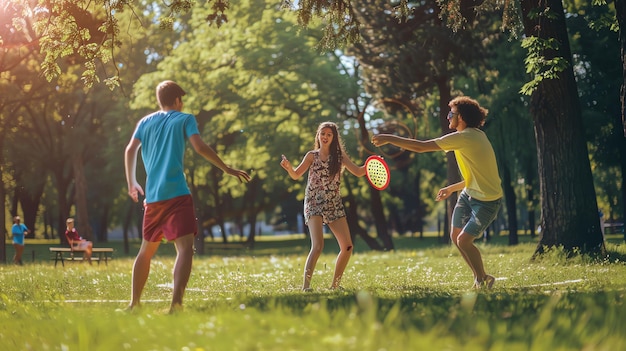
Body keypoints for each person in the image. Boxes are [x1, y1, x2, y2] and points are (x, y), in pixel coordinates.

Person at [124, 80, 250, 313]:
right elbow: (200, 147)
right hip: (177, 195)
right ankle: (176, 305)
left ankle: (134, 304)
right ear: (178, 100)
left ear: (159, 100)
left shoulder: (145, 122)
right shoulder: (185, 118)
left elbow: (130, 150)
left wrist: (132, 183)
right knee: (184, 249)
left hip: (153, 198)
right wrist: (226, 168)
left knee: (145, 251)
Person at [372, 96, 503, 289]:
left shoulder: (465, 137)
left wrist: (388, 137)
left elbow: (421, 147)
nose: (448, 116)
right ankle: (479, 278)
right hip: (469, 194)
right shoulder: (471, 136)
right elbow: (475, 177)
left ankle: (483, 278)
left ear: (462, 117)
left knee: (464, 241)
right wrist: (451, 188)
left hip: (487, 201)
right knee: (455, 236)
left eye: (452, 113)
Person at [280, 121, 366, 291]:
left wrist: (372, 165)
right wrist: (289, 168)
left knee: (347, 246)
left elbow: (358, 172)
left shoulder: (340, 158)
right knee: (318, 245)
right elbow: (296, 175)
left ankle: (335, 286)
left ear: (334, 138)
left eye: (329, 134)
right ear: (318, 136)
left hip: (334, 203)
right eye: (322, 133)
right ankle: (305, 287)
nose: (325, 137)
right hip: (314, 202)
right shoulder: (312, 155)